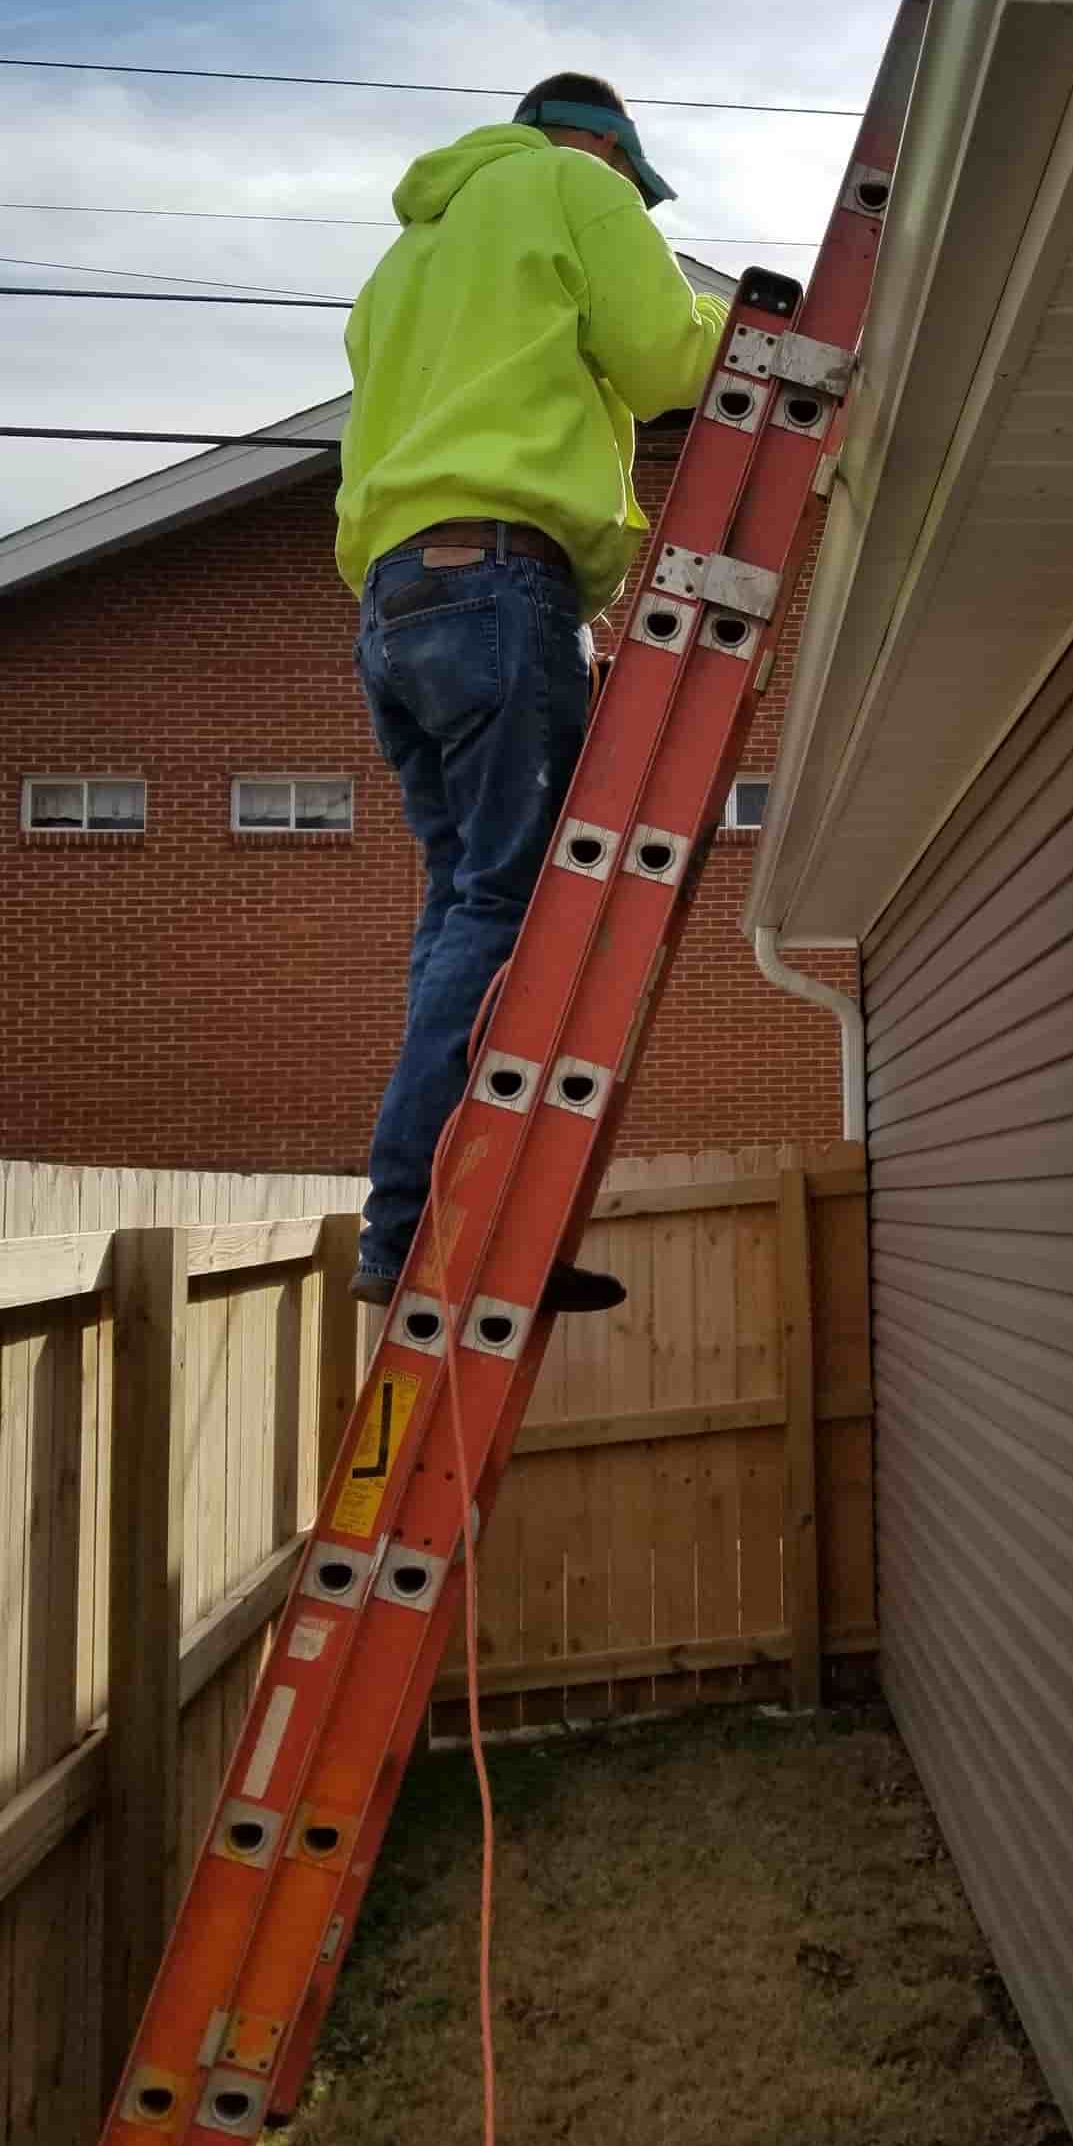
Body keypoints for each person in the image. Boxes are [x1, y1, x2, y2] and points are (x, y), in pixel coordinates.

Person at [336, 74, 730, 1309]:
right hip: (501, 582)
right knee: (510, 904)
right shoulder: (571, 185)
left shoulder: (408, 257)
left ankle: (436, 1219)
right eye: (633, 186)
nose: (634, 205)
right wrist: (750, 323)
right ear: (604, 147)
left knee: (467, 904)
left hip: (398, 602)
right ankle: (420, 1225)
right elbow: (666, 360)